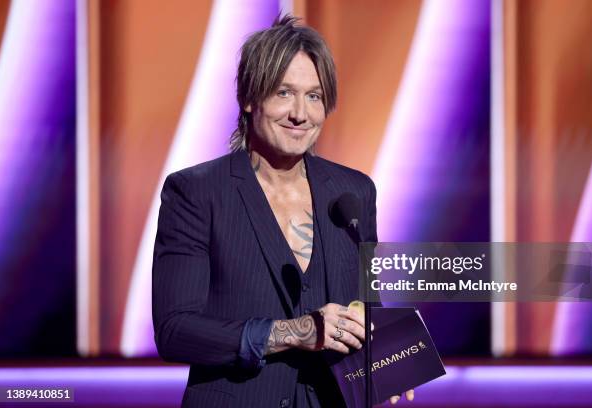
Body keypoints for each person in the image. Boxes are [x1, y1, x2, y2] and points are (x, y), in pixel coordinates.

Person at [152, 15, 408, 407]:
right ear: (250, 98)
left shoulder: (353, 191)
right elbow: (175, 330)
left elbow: (366, 309)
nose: (300, 114)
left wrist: (389, 361)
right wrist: (297, 332)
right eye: (284, 93)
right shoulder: (196, 192)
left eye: (314, 96)